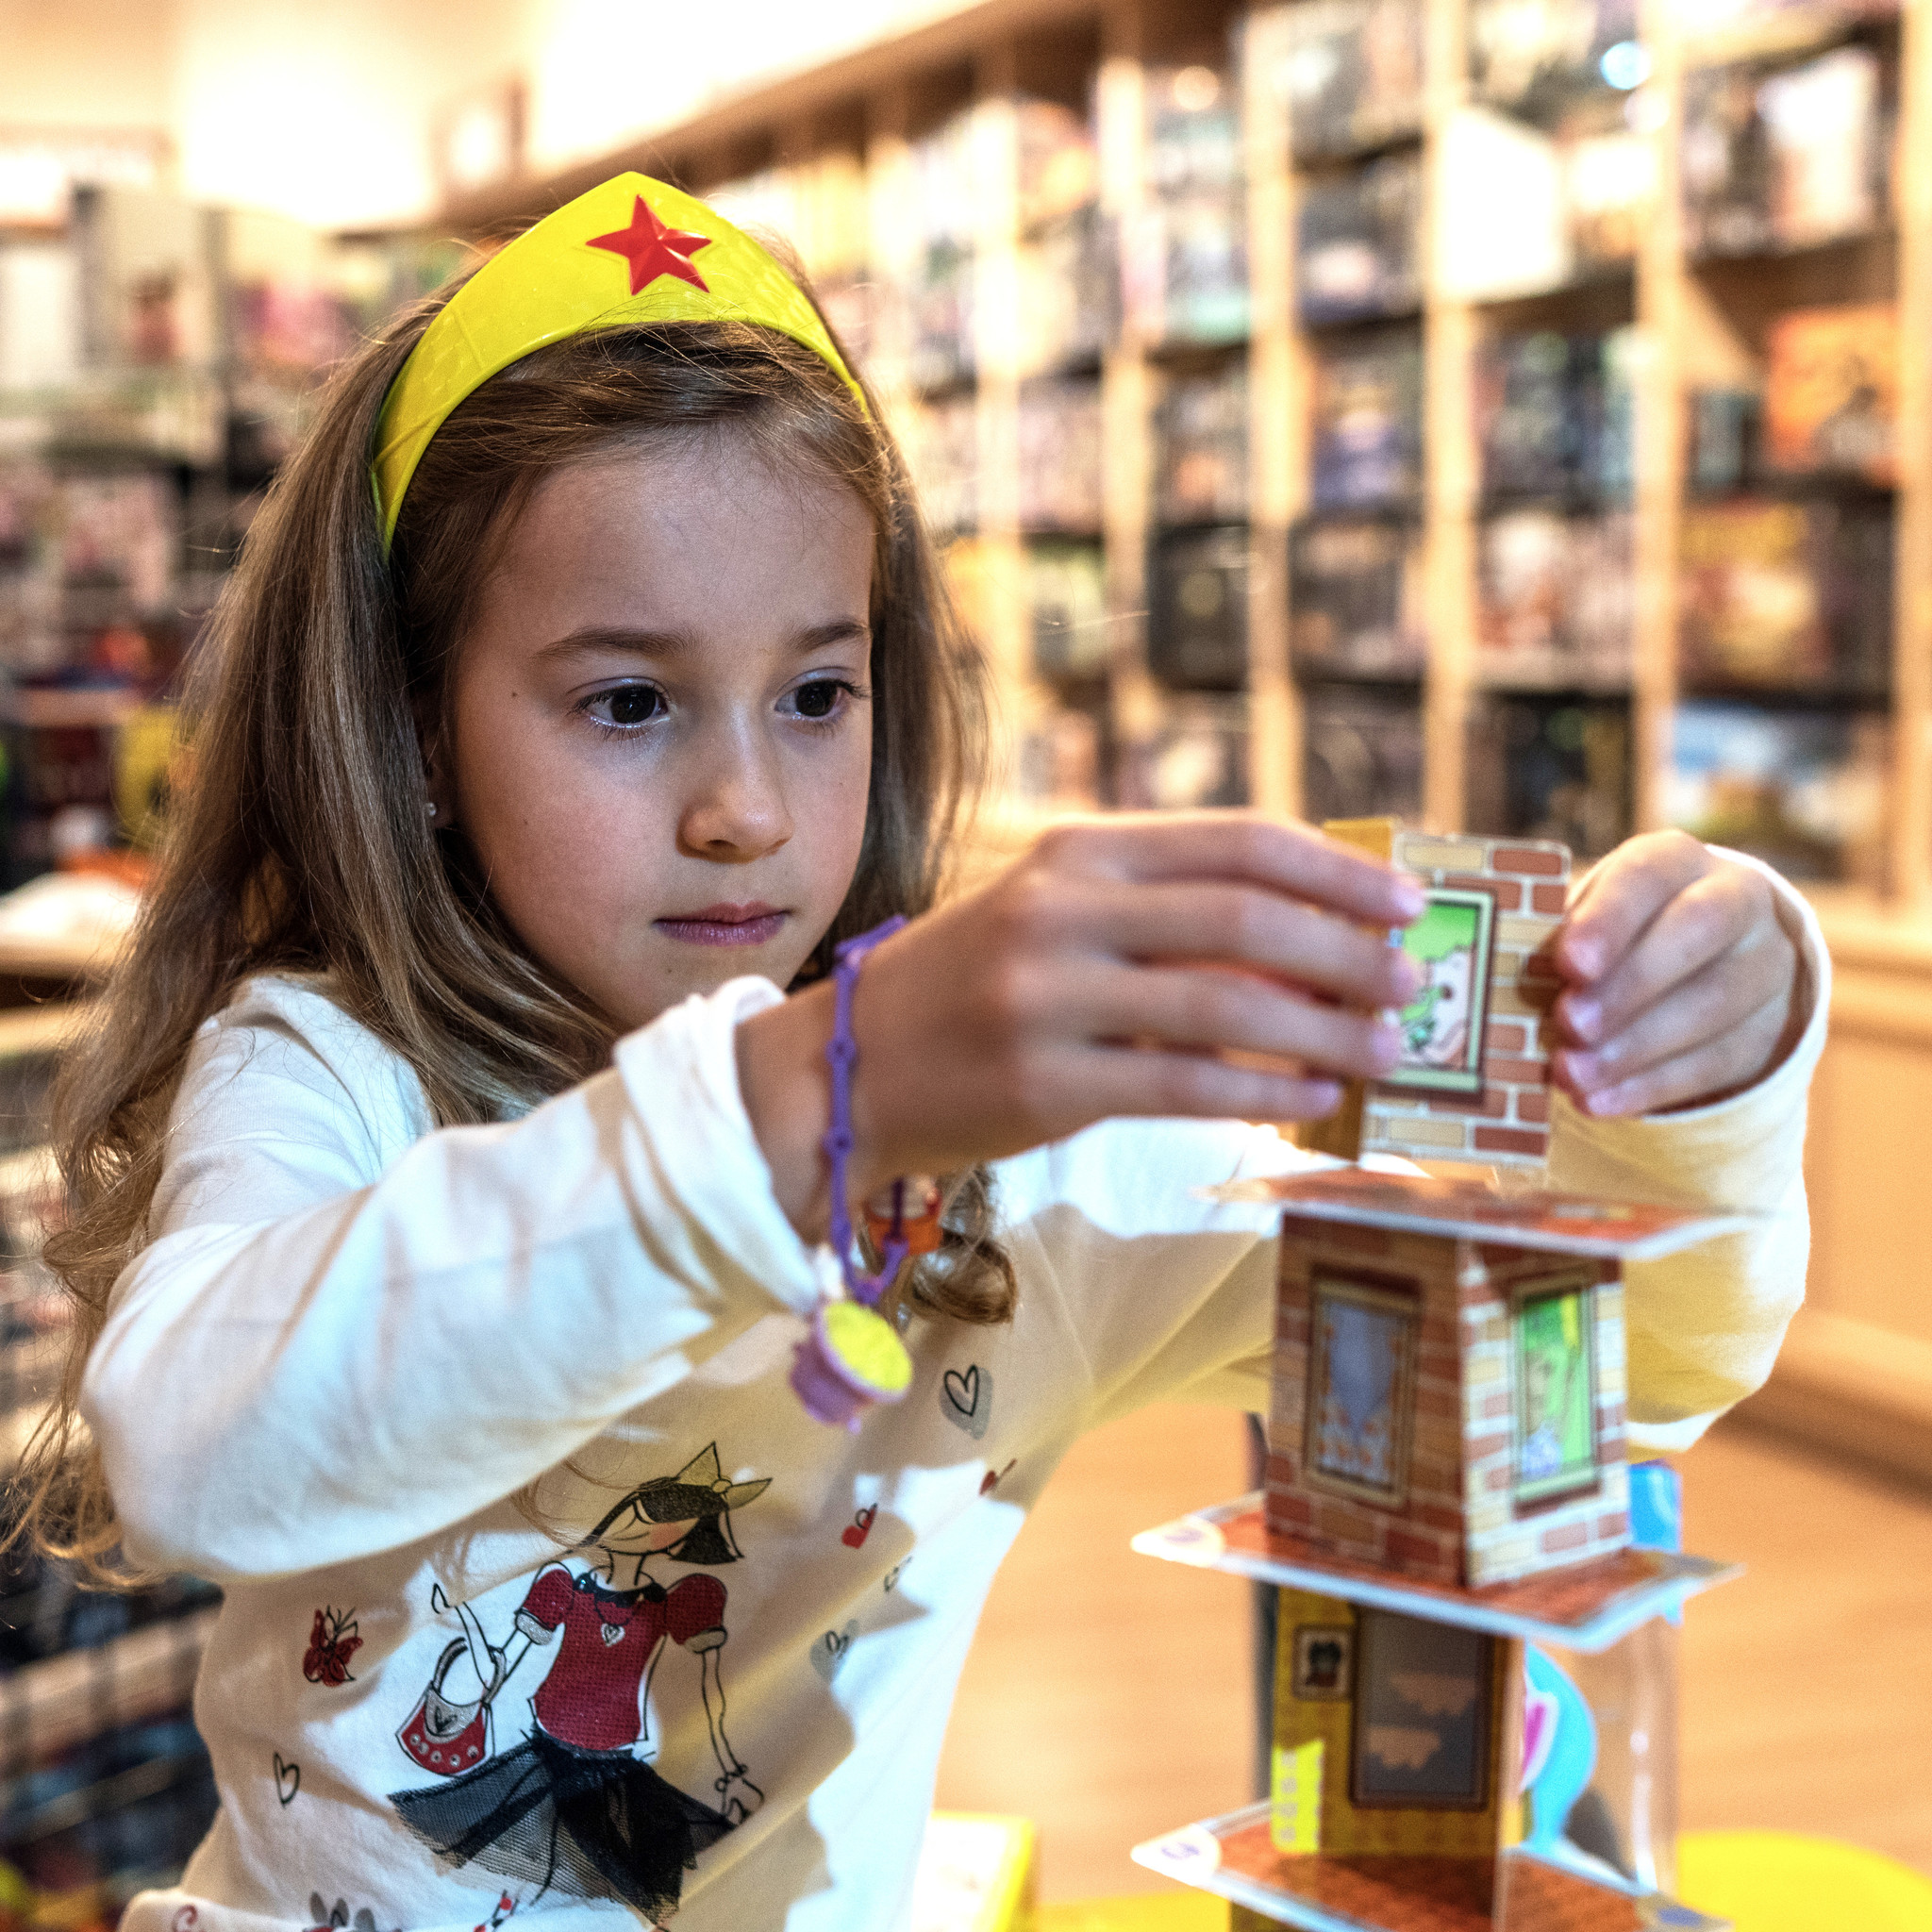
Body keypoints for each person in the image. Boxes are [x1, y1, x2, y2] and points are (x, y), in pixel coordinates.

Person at [20, 175, 1824, 1932]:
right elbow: (199, 1451)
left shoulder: (1019, 1156)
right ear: (417, 736)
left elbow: (1604, 1363)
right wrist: (821, 1099)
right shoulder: (333, 1068)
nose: (743, 808)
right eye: (628, 702)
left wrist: (1688, 1089)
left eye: (817, 692)